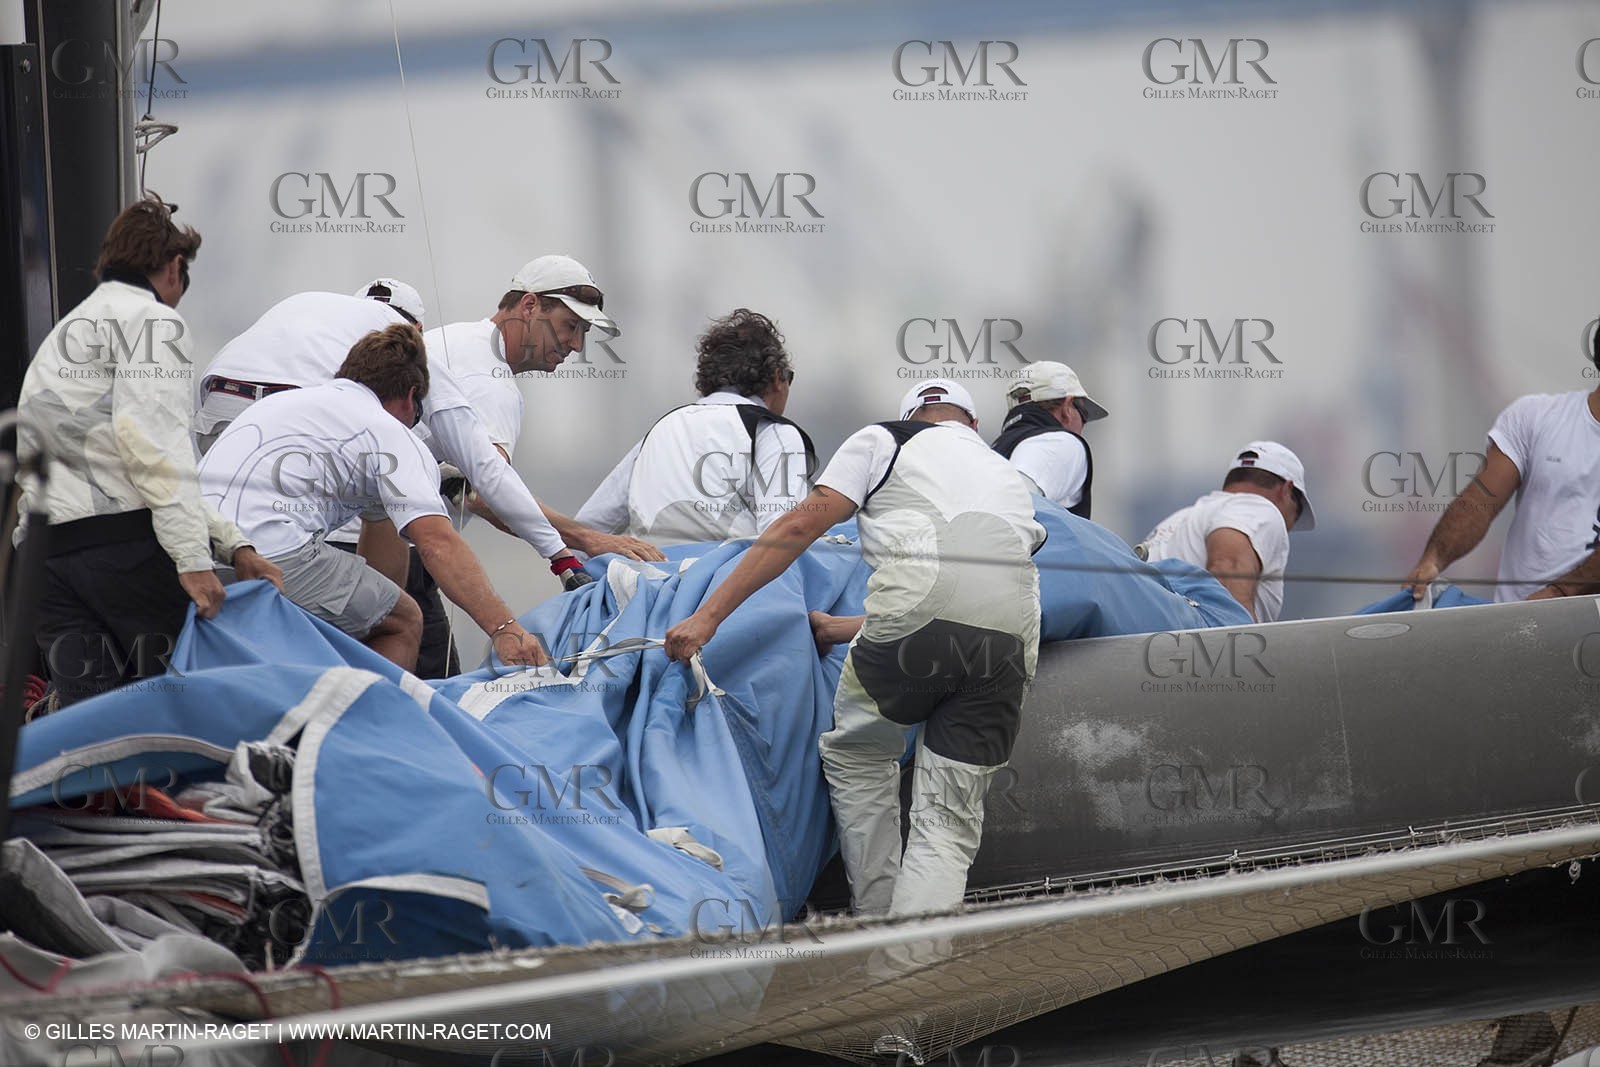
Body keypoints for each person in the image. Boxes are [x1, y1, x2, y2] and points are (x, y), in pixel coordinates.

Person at [666, 379, 1045, 918]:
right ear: (973, 425)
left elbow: (799, 525)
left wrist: (707, 618)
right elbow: (970, 592)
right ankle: (913, 971)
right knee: (948, 822)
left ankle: (875, 923)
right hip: (1010, 639)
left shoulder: (883, 440)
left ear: (912, 416)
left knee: (859, 756)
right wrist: (847, 627)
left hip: (909, 627)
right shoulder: (1006, 473)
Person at [193, 279, 612, 677]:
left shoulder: (299, 400)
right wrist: (509, 623)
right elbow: (443, 535)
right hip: (270, 549)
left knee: (374, 602)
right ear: (413, 394)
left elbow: (380, 549)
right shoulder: (394, 433)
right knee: (405, 620)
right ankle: (365, 737)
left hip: (192, 538)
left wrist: (372, 606)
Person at [17, 194, 282, 707]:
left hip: (45, 560)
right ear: (174, 267)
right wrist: (192, 558)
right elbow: (153, 447)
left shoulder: (64, 335)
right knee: (179, 709)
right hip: (120, 553)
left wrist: (234, 545)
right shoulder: (154, 322)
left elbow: (130, 461)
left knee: (93, 725)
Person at [422, 255, 664, 565]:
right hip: (379, 539)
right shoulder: (491, 382)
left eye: (584, 332)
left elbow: (467, 490)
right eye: (571, 326)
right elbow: (484, 494)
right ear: (529, 305)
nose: (577, 345)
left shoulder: (458, 338)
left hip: (366, 530)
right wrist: (590, 539)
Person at [576, 308, 816, 545]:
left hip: (646, 580)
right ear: (777, 378)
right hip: (729, 581)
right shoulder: (775, 433)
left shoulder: (659, 431)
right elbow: (783, 538)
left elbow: (586, 530)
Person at [1403, 379, 1600, 602]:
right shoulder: (1536, 416)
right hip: (1517, 627)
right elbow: (1479, 503)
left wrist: (1560, 592)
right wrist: (1434, 559)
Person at [1137, 441, 1316, 623]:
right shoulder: (1260, 508)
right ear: (1286, 490)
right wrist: (1243, 646)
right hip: (1199, 648)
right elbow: (1228, 566)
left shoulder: (1176, 521)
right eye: (1298, 512)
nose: (1289, 527)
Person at [991, 360, 1108, 518]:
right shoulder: (1059, 442)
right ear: (1067, 408)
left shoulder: (994, 449)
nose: (1083, 425)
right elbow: (1016, 505)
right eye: (1084, 415)